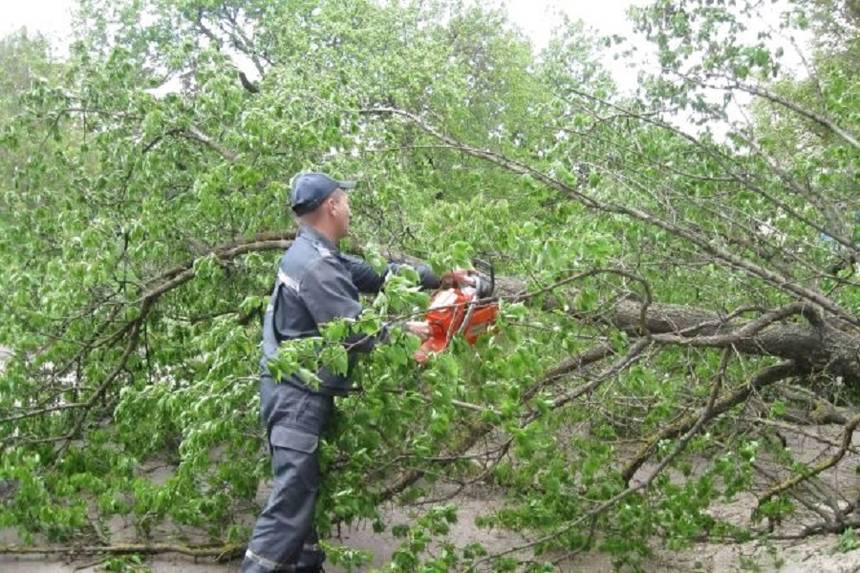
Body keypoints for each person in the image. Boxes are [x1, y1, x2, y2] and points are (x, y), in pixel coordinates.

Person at [242, 172, 438, 573]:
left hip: (294, 394)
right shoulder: (315, 265)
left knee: (303, 513)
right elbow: (352, 331)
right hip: (295, 399)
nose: (350, 209)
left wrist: (441, 277)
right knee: (289, 508)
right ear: (331, 205)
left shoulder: (316, 253)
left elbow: (377, 275)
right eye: (345, 200)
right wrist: (404, 334)